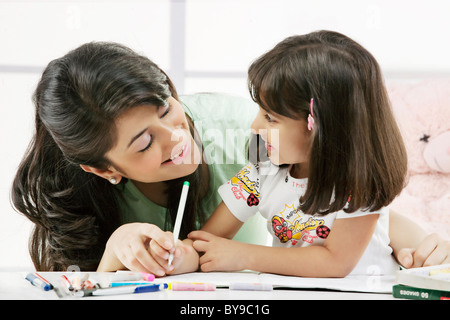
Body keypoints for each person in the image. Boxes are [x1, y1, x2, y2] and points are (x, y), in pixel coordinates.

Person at [11, 40, 449, 275]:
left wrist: (422, 241)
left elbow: (359, 212)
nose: (176, 137)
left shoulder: (257, 138)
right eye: (144, 144)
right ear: (102, 168)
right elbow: (204, 245)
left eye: (167, 108)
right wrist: (143, 256)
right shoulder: (73, 192)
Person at [188, 30, 449, 277]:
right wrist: (181, 255)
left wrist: (243, 256)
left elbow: (335, 262)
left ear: (320, 126)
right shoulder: (262, 171)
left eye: (270, 118)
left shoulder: (360, 183)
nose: (255, 126)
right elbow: (209, 240)